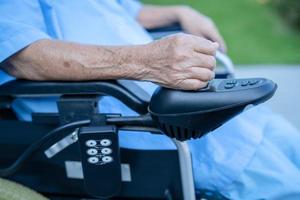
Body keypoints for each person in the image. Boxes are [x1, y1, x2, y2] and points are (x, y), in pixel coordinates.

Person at [0, 1, 299, 199]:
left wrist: (177, 11)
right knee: (285, 185)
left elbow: (119, 10)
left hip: (225, 119)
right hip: (154, 128)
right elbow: (23, 57)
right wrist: (146, 61)